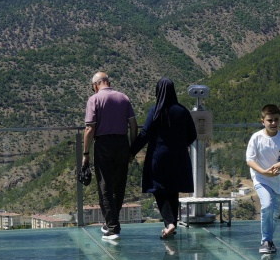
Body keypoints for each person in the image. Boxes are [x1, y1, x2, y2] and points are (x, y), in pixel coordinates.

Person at [129, 78, 198, 238]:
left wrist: (131, 152)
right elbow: (192, 135)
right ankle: (170, 226)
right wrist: (180, 145)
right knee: (173, 190)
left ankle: (170, 223)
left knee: (158, 189)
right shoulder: (183, 111)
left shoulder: (156, 110)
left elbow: (145, 133)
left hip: (158, 156)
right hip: (179, 157)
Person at [81, 71, 137, 241]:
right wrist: (132, 149)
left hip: (103, 145)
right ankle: (110, 223)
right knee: (119, 186)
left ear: (96, 84)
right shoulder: (123, 98)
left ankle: (113, 228)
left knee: (105, 186)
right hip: (122, 144)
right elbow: (134, 126)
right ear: (108, 82)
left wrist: (85, 153)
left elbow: (90, 128)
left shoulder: (95, 99)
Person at [245, 103, 280, 255]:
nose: (273, 123)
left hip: (278, 181)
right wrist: (264, 172)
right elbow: (250, 160)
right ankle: (266, 240)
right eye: (270, 120)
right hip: (261, 178)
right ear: (263, 121)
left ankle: (270, 239)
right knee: (267, 204)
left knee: (274, 213)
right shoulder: (256, 138)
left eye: (276, 119)